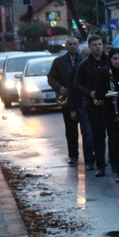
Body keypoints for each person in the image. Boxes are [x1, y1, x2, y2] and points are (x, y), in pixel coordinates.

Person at [74, 34, 108, 176]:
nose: (98, 47)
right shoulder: (85, 64)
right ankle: (100, 165)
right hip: (93, 104)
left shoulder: (109, 60)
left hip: (110, 102)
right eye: (94, 45)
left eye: (99, 44)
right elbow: (77, 84)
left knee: (113, 136)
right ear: (89, 46)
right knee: (98, 136)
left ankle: (118, 165)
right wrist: (90, 93)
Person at [99, 48, 119, 182]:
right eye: (114, 59)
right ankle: (117, 168)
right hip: (111, 112)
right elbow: (99, 93)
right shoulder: (104, 73)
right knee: (114, 142)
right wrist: (112, 94)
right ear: (110, 59)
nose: (117, 62)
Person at [48, 36, 82, 164]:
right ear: (66, 46)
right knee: (71, 129)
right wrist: (60, 88)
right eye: (70, 44)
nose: (72, 46)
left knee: (88, 130)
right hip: (67, 99)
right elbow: (51, 78)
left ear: (78, 45)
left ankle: (92, 155)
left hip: (82, 99)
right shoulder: (59, 61)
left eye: (74, 44)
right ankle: (73, 155)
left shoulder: (83, 59)